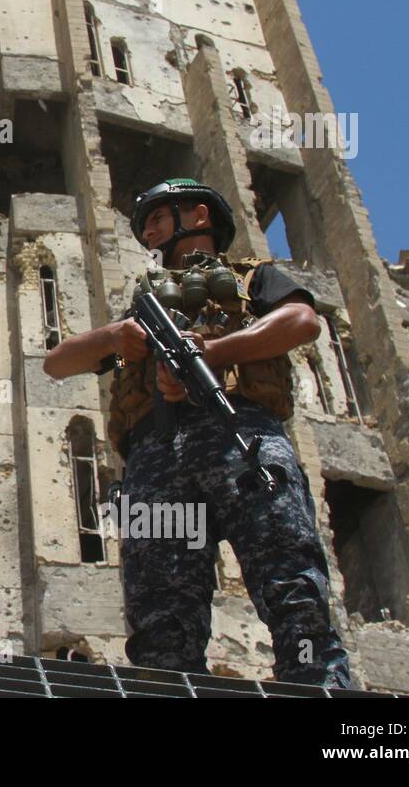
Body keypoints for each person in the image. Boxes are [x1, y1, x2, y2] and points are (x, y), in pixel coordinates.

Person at [43, 178, 352, 687]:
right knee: (160, 617)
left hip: (240, 434)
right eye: (144, 224)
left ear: (200, 217)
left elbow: (301, 321)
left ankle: (317, 685)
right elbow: (58, 364)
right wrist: (117, 337)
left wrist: (214, 353)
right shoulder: (144, 312)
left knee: (291, 583)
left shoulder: (251, 279)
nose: (148, 229)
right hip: (157, 455)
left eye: (159, 217)